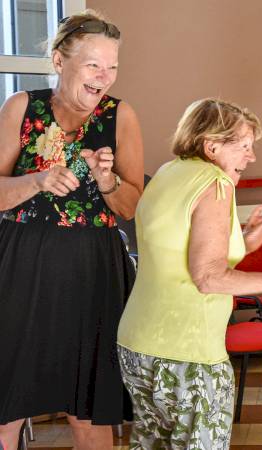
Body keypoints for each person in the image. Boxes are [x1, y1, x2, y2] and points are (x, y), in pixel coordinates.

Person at [116, 99, 262, 449]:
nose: (250, 157)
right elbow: (207, 277)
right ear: (212, 146)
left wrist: (245, 242)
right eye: (244, 147)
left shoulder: (168, 173)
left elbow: (178, 253)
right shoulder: (215, 183)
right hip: (188, 355)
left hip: (137, 345)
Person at [0, 10, 143, 450]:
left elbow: (131, 204)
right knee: (6, 403)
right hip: (21, 265)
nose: (105, 77)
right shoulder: (21, 107)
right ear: (60, 61)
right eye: (94, 65)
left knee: (89, 410)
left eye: (112, 66)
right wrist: (36, 181)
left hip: (93, 268)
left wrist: (107, 182)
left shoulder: (121, 116)